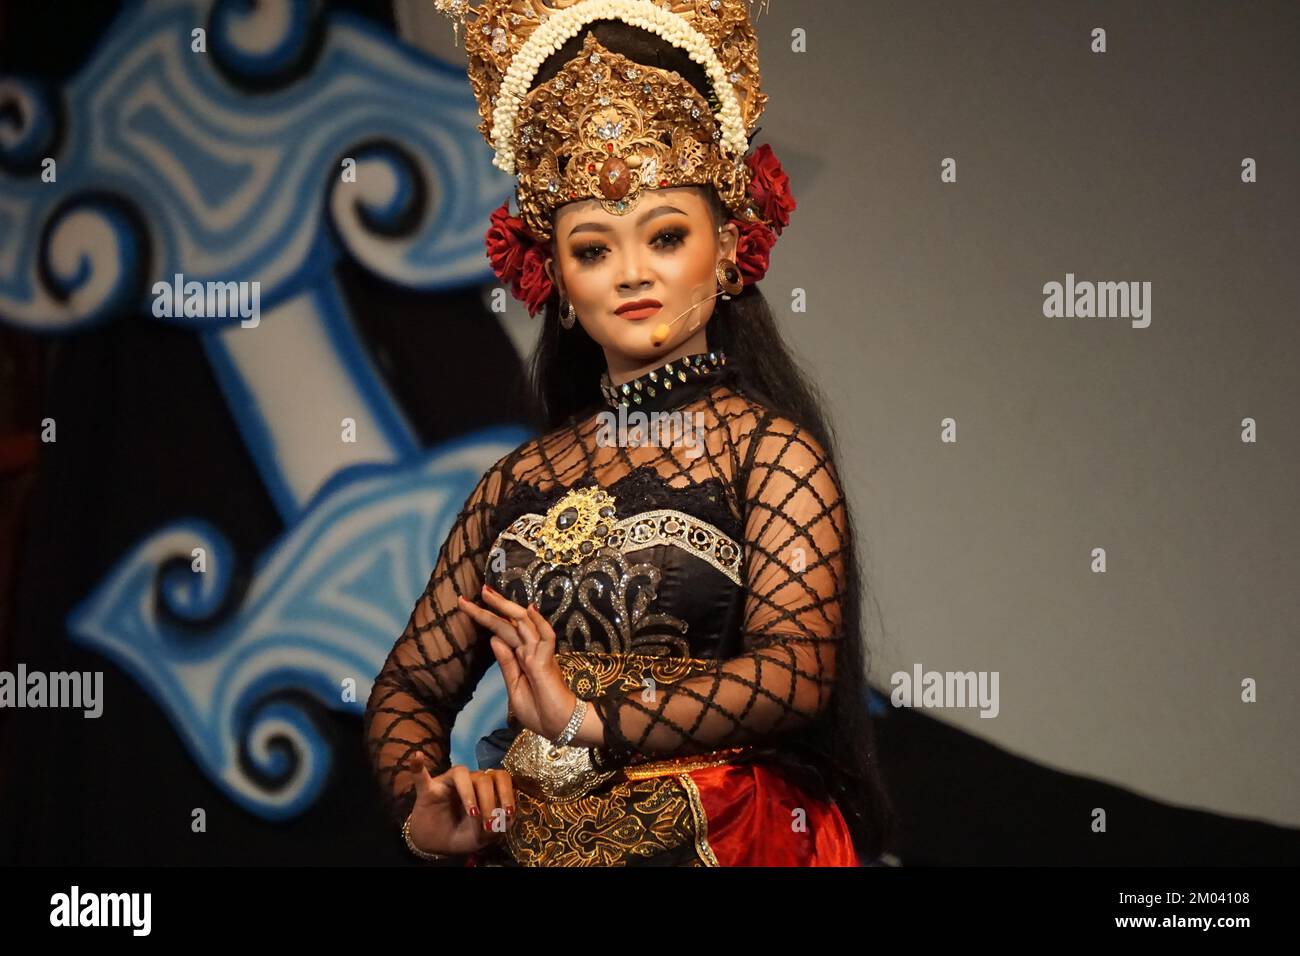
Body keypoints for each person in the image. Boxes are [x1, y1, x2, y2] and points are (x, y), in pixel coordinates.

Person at [363, 0, 896, 866]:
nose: (633, 274)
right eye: (594, 249)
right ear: (557, 281)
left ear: (727, 250)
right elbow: (408, 689)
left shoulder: (770, 453)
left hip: (717, 839)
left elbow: (796, 669)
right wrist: (425, 806)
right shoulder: (516, 480)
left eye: (666, 235)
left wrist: (585, 721)